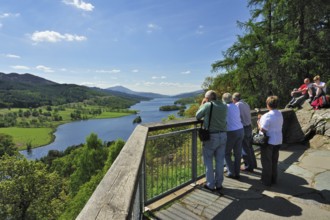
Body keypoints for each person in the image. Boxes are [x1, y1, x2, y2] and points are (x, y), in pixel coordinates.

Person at [196, 90, 227, 192]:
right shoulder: (224, 105)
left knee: (208, 160)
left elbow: (198, 116)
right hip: (223, 135)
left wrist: (202, 104)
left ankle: (210, 184)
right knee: (219, 161)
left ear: (208, 99)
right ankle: (219, 184)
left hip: (211, 137)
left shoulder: (208, 105)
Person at [257, 96, 283, 187]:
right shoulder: (279, 113)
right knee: (274, 161)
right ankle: (273, 179)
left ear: (268, 105)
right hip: (278, 140)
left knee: (266, 162)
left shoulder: (267, 115)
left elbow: (263, 129)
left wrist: (258, 122)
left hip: (268, 141)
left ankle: (266, 181)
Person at [232, 92, 257, 172]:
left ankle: (248, 167)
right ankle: (253, 164)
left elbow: (235, 116)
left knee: (245, 148)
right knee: (249, 147)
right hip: (249, 127)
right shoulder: (246, 103)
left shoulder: (238, 105)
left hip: (243, 128)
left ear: (234, 99)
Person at [222, 93, 244, 179]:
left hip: (231, 132)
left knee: (226, 153)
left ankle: (231, 172)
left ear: (223, 100)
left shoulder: (225, 107)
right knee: (237, 153)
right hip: (240, 130)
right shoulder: (235, 106)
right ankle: (237, 172)